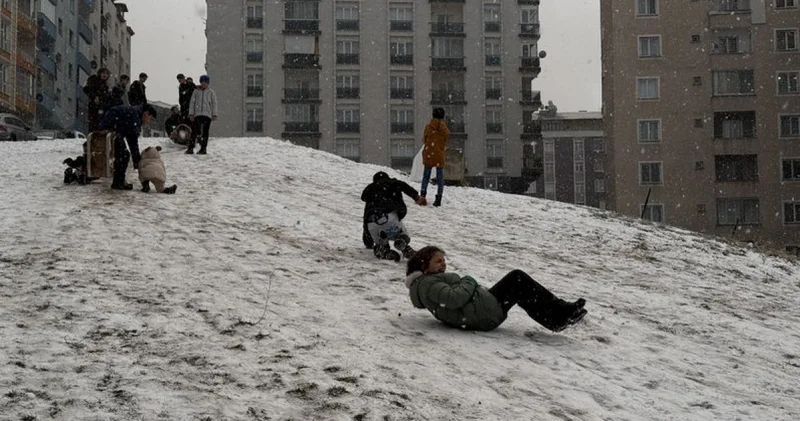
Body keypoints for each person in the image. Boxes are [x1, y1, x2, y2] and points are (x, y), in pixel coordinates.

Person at [405, 246, 587, 332]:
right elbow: (454, 299)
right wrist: (468, 281)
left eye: (444, 261)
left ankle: (559, 316)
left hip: (480, 309)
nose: (443, 264)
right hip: (482, 313)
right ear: (424, 266)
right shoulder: (428, 284)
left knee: (521, 288)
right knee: (518, 279)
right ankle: (559, 315)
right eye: (438, 261)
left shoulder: (427, 283)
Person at [361, 171, 426, 261]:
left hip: (371, 222)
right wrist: (416, 197)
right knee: (403, 235)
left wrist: (367, 240)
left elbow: (365, 219)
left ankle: (383, 250)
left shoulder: (370, 192)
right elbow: (404, 186)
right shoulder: (393, 183)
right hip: (389, 216)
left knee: (380, 243)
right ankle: (403, 245)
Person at [96, 103, 157, 190]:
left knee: (122, 154)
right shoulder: (135, 116)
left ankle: (119, 181)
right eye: (150, 119)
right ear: (146, 113)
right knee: (123, 155)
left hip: (110, 129)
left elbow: (130, 137)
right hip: (110, 131)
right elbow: (132, 141)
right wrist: (137, 160)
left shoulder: (134, 113)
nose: (148, 122)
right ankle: (118, 182)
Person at [421, 107, 449, 207]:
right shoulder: (444, 129)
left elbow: (424, 139)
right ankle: (438, 198)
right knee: (440, 178)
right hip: (439, 154)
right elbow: (446, 139)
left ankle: (422, 195)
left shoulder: (428, 127)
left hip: (429, 153)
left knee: (426, 176)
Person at [187, 74, 218, 155]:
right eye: (202, 82)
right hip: (197, 115)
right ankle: (190, 147)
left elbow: (214, 104)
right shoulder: (196, 91)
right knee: (195, 131)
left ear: (208, 83)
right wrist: (191, 114)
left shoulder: (211, 92)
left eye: (205, 82)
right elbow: (192, 103)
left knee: (205, 132)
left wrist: (214, 114)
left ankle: (203, 148)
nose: (204, 84)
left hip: (207, 115)